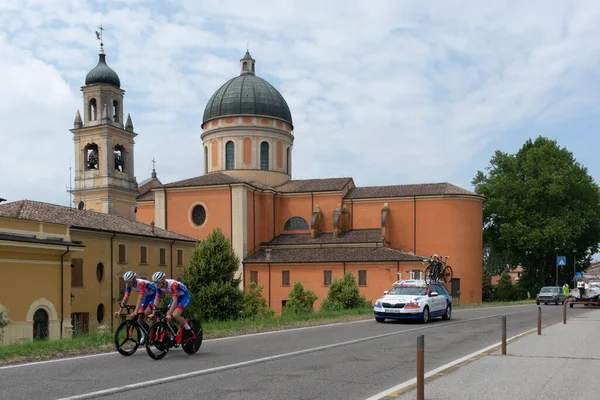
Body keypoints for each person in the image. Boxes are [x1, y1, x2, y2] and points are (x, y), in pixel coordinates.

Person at [114, 271, 161, 343]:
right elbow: (126, 297)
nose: (128, 283)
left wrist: (135, 312)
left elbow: (140, 298)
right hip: (147, 296)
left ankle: (158, 324)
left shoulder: (141, 283)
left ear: (134, 279)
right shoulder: (128, 285)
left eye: (129, 281)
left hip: (155, 296)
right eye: (126, 281)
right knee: (140, 318)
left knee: (145, 313)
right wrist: (120, 311)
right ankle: (147, 334)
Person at [151, 271, 195, 344]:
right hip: (176, 297)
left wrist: (169, 313)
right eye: (155, 282)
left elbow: (175, 301)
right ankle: (172, 336)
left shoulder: (173, 285)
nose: (157, 285)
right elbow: (157, 299)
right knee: (167, 317)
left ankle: (188, 329)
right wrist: (153, 313)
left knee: (175, 314)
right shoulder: (158, 286)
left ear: (163, 280)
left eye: (158, 282)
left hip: (185, 297)